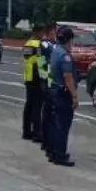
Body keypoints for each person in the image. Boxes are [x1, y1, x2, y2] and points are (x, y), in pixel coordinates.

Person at [47, 26, 79, 167]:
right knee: (63, 126)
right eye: (72, 40)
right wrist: (74, 96)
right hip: (63, 93)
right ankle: (60, 155)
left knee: (55, 124)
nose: (72, 43)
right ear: (67, 40)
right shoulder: (65, 56)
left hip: (54, 90)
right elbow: (68, 78)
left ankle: (54, 152)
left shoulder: (55, 50)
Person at [21, 25, 44, 141]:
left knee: (29, 105)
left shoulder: (27, 43)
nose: (43, 35)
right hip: (37, 77)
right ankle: (36, 133)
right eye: (42, 33)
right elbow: (41, 61)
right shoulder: (38, 45)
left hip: (28, 77)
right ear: (37, 32)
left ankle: (26, 131)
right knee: (37, 106)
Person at [38, 23, 57, 156]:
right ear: (49, 32)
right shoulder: (44, 45)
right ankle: (45, 140)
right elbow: (41, 64)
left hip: (53, 82)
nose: (56, 35)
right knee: (47, 113)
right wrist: (44, 81)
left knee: (50, 113)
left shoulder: (53, 44)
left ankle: (48, 139)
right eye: (54, 32)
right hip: (47, 82)